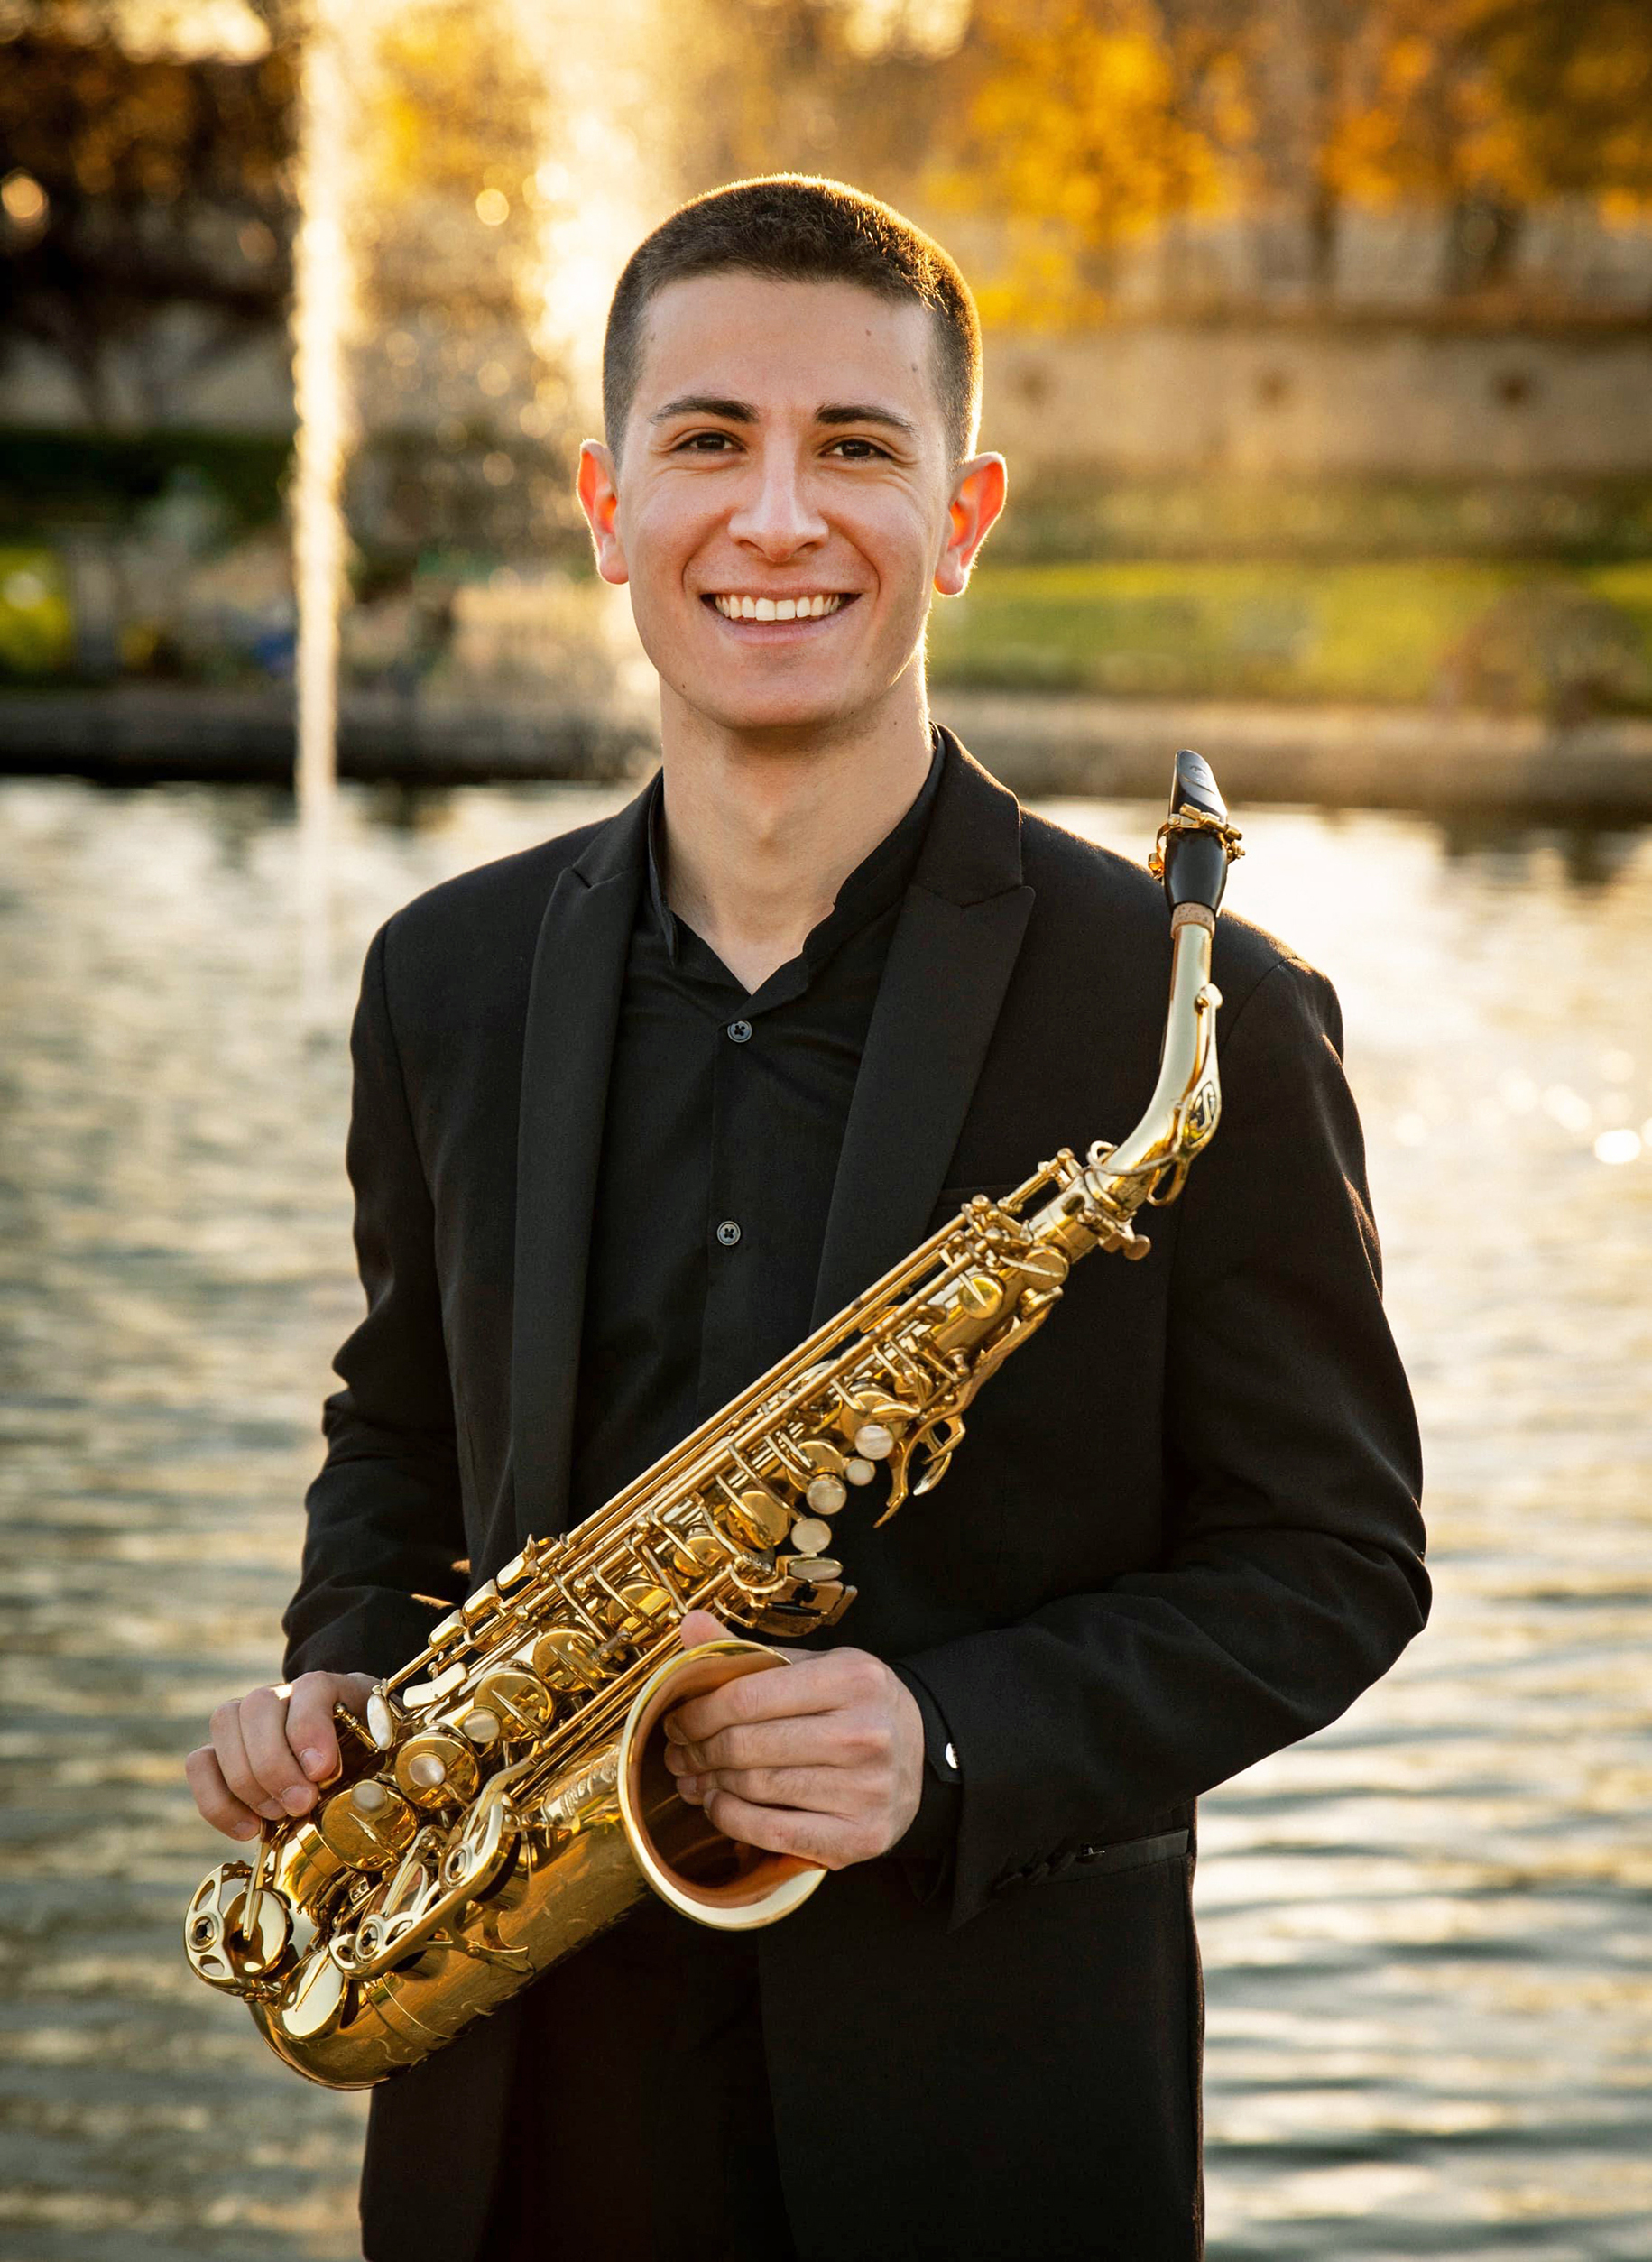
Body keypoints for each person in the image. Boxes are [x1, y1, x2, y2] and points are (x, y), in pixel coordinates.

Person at [185, 175, 1428, 2261]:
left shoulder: (1187, 1018)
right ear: (606, 507)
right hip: (512, 2122)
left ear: (963, 514)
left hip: (986, 2132)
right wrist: (340, 1683)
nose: (776, 519)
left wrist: (950, 1742)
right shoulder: (445, 977)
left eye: (855, 446)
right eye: (708, 442)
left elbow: (1332, 1564)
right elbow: (398, 1443)